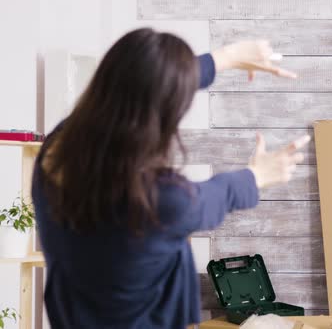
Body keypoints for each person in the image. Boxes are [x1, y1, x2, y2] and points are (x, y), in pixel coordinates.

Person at [32, 28, 309, 328]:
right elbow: (218, 195)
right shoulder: (161, 200)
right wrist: (257, 175)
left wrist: (226, 58)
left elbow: (140, 85)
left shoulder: (58, 150)